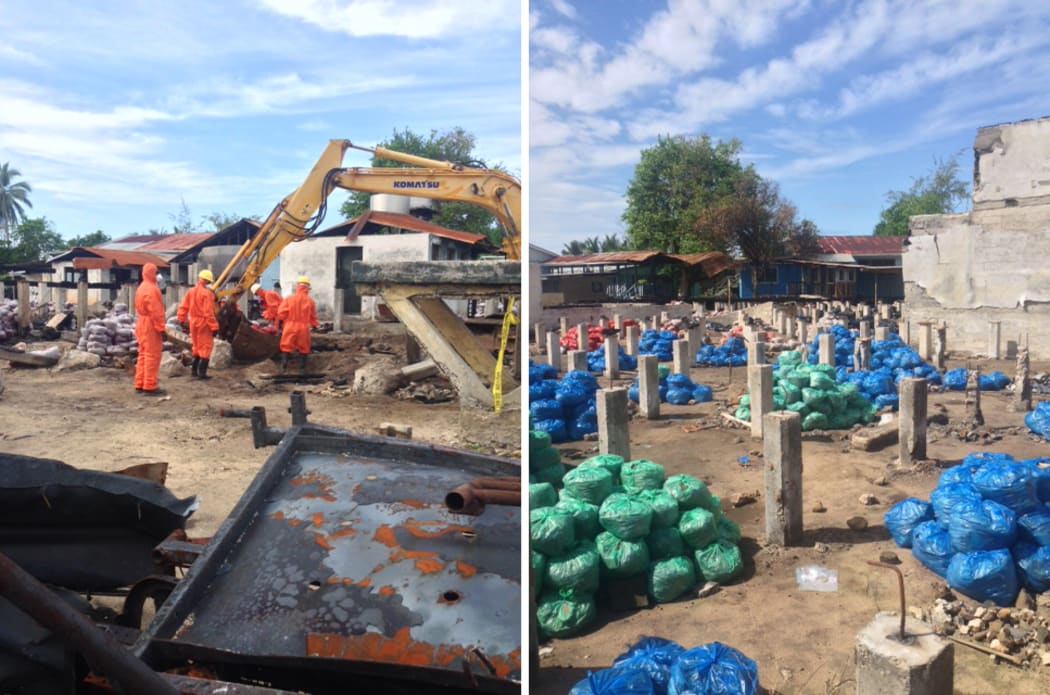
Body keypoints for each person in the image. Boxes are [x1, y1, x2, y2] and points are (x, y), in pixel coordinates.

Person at [177, 269, 220, 379]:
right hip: (203, 323)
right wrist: (214, 326)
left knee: (196, 346)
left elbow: (183, 306)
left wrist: (181, 319)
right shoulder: (207, 294)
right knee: (205, 346)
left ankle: (194, 371)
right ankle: (202, 373)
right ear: (208, 281)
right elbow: (208, 312)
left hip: (193, 322)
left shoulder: (191, 291)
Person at [133, 262, 167, 395]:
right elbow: (156, 311)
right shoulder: (152, 289)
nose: (159, 275)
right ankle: (150, 386)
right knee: (152, 356)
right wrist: (161, 328)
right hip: (150, 325)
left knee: (142, 354)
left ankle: (139, 383)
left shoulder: (142, 286)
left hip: (141, 322)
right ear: (152, 273)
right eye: (156, 272)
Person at [276, 275, 318, 375]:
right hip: (303, 328)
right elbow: (313, 317)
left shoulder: (289, 299)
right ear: (308, 288)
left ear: (297, 286)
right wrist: (314, 325)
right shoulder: (310, 301)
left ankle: (283, 368)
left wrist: (282, 322)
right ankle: (302, 369)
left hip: (289, 326)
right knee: (304, 348)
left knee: (286, 346)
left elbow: (281, 314)